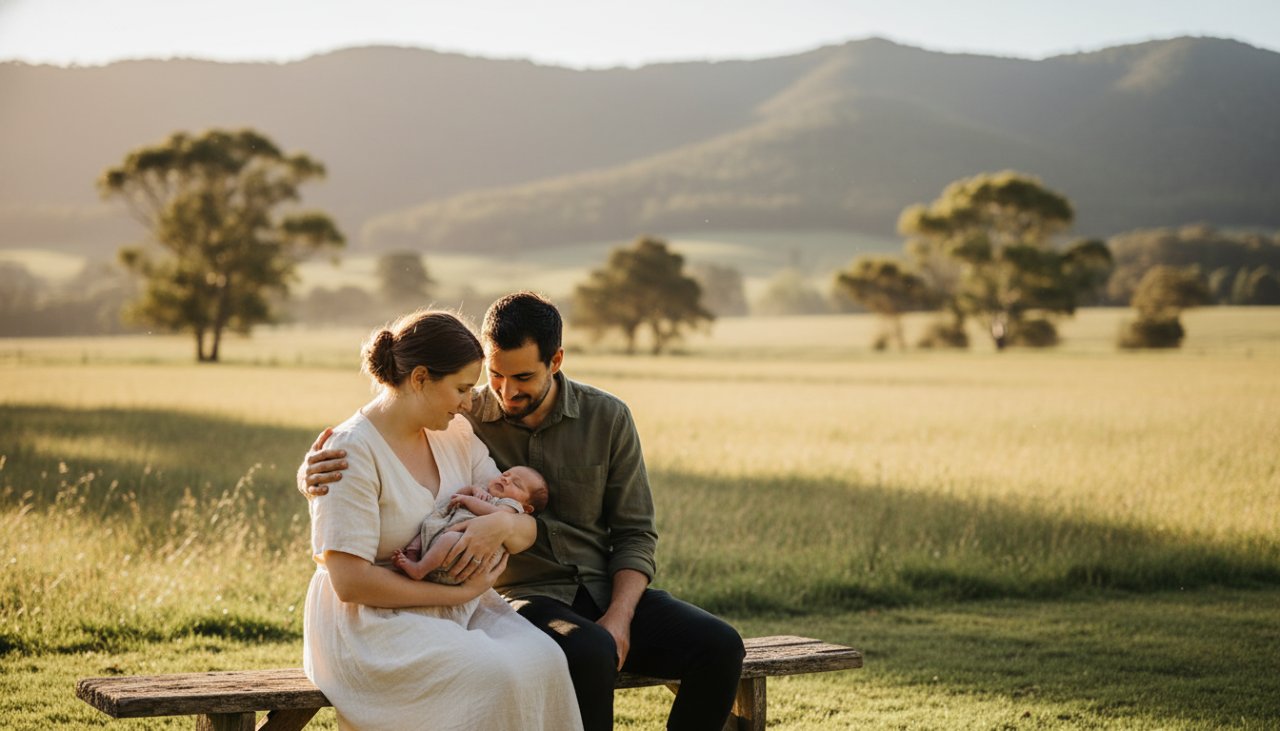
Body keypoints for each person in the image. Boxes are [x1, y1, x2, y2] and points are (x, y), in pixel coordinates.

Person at [303, 293, 745, 731]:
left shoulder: (605, 418)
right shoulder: (463, 413)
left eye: (522, 377)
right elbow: (377, 435)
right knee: (588, 651)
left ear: (556, 361)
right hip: (528, 594)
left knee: (720, 646)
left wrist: (619, 615)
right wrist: (312, 476)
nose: (505, 391)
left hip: (600, 586)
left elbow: (634, 533)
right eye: (494, 375)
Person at [301, 309, 582, 731]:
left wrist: (502, 526)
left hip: (462, 607)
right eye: (462, 389)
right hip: (371, 623)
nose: (470, 402)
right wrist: (455, 595)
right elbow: (350, 582)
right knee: (492, 674)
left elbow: (523, 527)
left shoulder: (456, 435)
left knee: (546, 660)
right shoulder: (349, 453)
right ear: (419, 379)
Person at [392, 466, 549, 583]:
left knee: (449, 538)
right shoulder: (482, 491)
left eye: (516, 484)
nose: (506, 479)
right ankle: (412, 554)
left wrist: (469, 500)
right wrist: (471, 489)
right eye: (505, 474)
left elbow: (495, 514)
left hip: (458, 558)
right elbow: (458, 495)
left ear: (527, 508)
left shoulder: (511, 506)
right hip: (441, 535)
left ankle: (420, 570)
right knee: (428, 524)